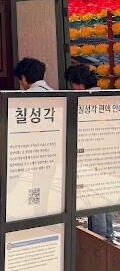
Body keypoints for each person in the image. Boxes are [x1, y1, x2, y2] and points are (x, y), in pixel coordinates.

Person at [65, 64, 115, 242]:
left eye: (72, 84)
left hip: (92, 157)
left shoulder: (84, 101)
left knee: (95, 200)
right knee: (108, 196)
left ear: (80, 84)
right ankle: (108, 237)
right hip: (111, 156)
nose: (72, 88)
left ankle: (99, 241)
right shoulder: (109, 98)